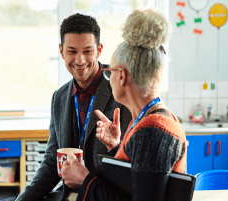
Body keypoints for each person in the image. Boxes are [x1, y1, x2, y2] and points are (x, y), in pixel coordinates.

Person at [61, 9, 187, 201]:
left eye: (110, 70)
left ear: (122, 75)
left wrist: (84, 179)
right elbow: (133, 185)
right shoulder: (149, 121)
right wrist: (116, 147)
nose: (108, 77)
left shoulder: (153, 131)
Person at [15, 13, 131, 201]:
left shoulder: (122, 88)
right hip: (69, 196)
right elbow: (53, 161)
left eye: (87, 51)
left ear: (99, 50)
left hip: (105, 195)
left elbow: (132, 165)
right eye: (72, 51)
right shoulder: (60, 97)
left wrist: (115, 145)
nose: (80, 60)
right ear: (61, 51)